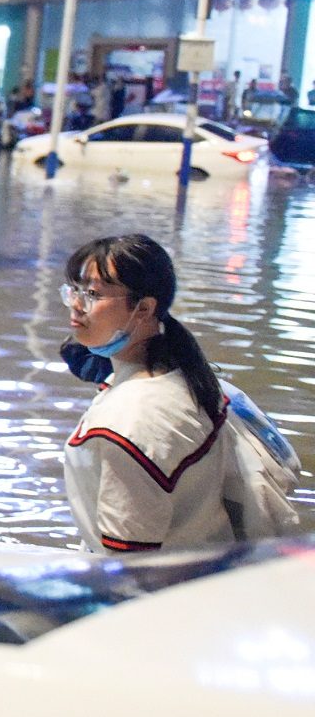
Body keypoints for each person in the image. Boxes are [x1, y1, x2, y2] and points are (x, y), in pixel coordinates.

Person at [56, 234, 250, 554]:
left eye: (92, 294)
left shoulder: (131, 422)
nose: (76, 305)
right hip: (205, 563)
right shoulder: (186, 377)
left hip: (165, 580)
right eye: (74, 290)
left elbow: (130, 563)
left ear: (144, 308)